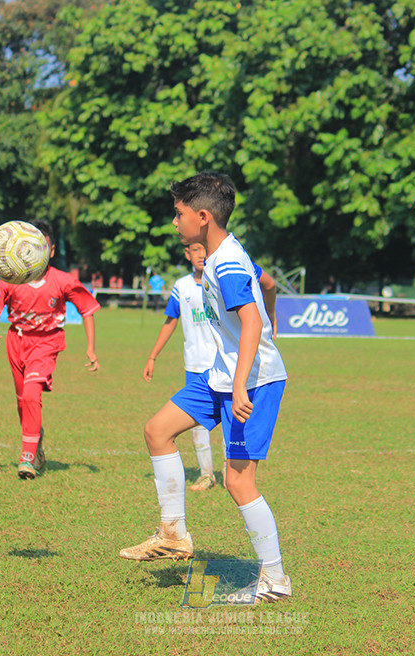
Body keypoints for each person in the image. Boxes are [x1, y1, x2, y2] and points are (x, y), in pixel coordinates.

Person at [120, 172, 292, 604]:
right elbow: (267, 291)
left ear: (201, 217)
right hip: (218, 376)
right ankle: (173, 533)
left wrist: (239, 386)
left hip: (252, 382)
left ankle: (274, 579)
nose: (174, 223)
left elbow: (252, 322)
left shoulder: (228, 263)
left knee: (238, 483)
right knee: (157, 431)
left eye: (178, 215)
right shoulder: (219, 256)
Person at [0, 220, 100, 480]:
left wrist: (90, 348)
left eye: (41, 246)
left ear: (51, 251)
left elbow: (87, 310)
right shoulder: (11, 278)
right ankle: (36, 441)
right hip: (16, 342)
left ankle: (27, 458)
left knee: (32, 394)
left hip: (46, 343)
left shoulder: (63, 281)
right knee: (23, 401)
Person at [143, 242, 218, 492]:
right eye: (196, 250)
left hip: (222, 364)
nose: (202, 255)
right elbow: (170, 322)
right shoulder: (182, 287)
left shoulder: (219, 283)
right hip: (194, 365)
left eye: (205, 249)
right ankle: (207, 474)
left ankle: (233, 472)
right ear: (187, 254)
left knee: (231, 418)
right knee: (196, 421)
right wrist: (153, 356)